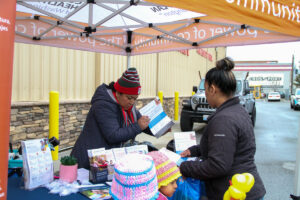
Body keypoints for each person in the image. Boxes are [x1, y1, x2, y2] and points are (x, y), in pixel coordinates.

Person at [179, 57, 266, 200]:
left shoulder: (224, 119)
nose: (205, 95)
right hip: (244, 187)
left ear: (212, 89)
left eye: (205, 89)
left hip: (235, 193)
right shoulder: (238, 110)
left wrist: (184, 168)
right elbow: (227, 146)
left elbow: (218, 165)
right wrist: (195, 150)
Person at [71, 68, 151, 169]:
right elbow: (113, 135)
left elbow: (142, 122)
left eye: (135, 98)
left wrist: (161, 128)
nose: (132, 102)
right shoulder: (103, 104)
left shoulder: (128, 107)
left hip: (105, 160)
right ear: (118, 93)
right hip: (88, 162)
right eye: (129, 98)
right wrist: (137, 126)